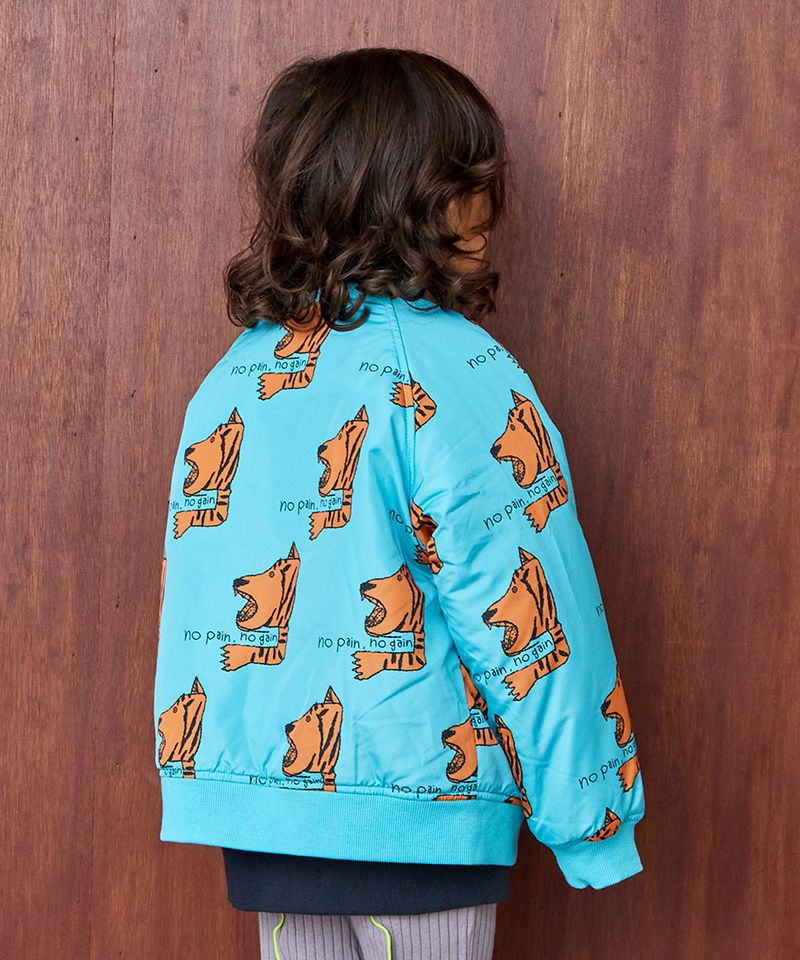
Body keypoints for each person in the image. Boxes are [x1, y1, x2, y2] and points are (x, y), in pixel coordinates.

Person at [153, 47, 646, 960]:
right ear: (414, 194)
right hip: (418, 813)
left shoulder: (233, 380)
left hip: (263, 819)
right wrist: (592, 817)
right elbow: (534, 599)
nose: (492, 200)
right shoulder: (455, 370)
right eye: (470, 174)